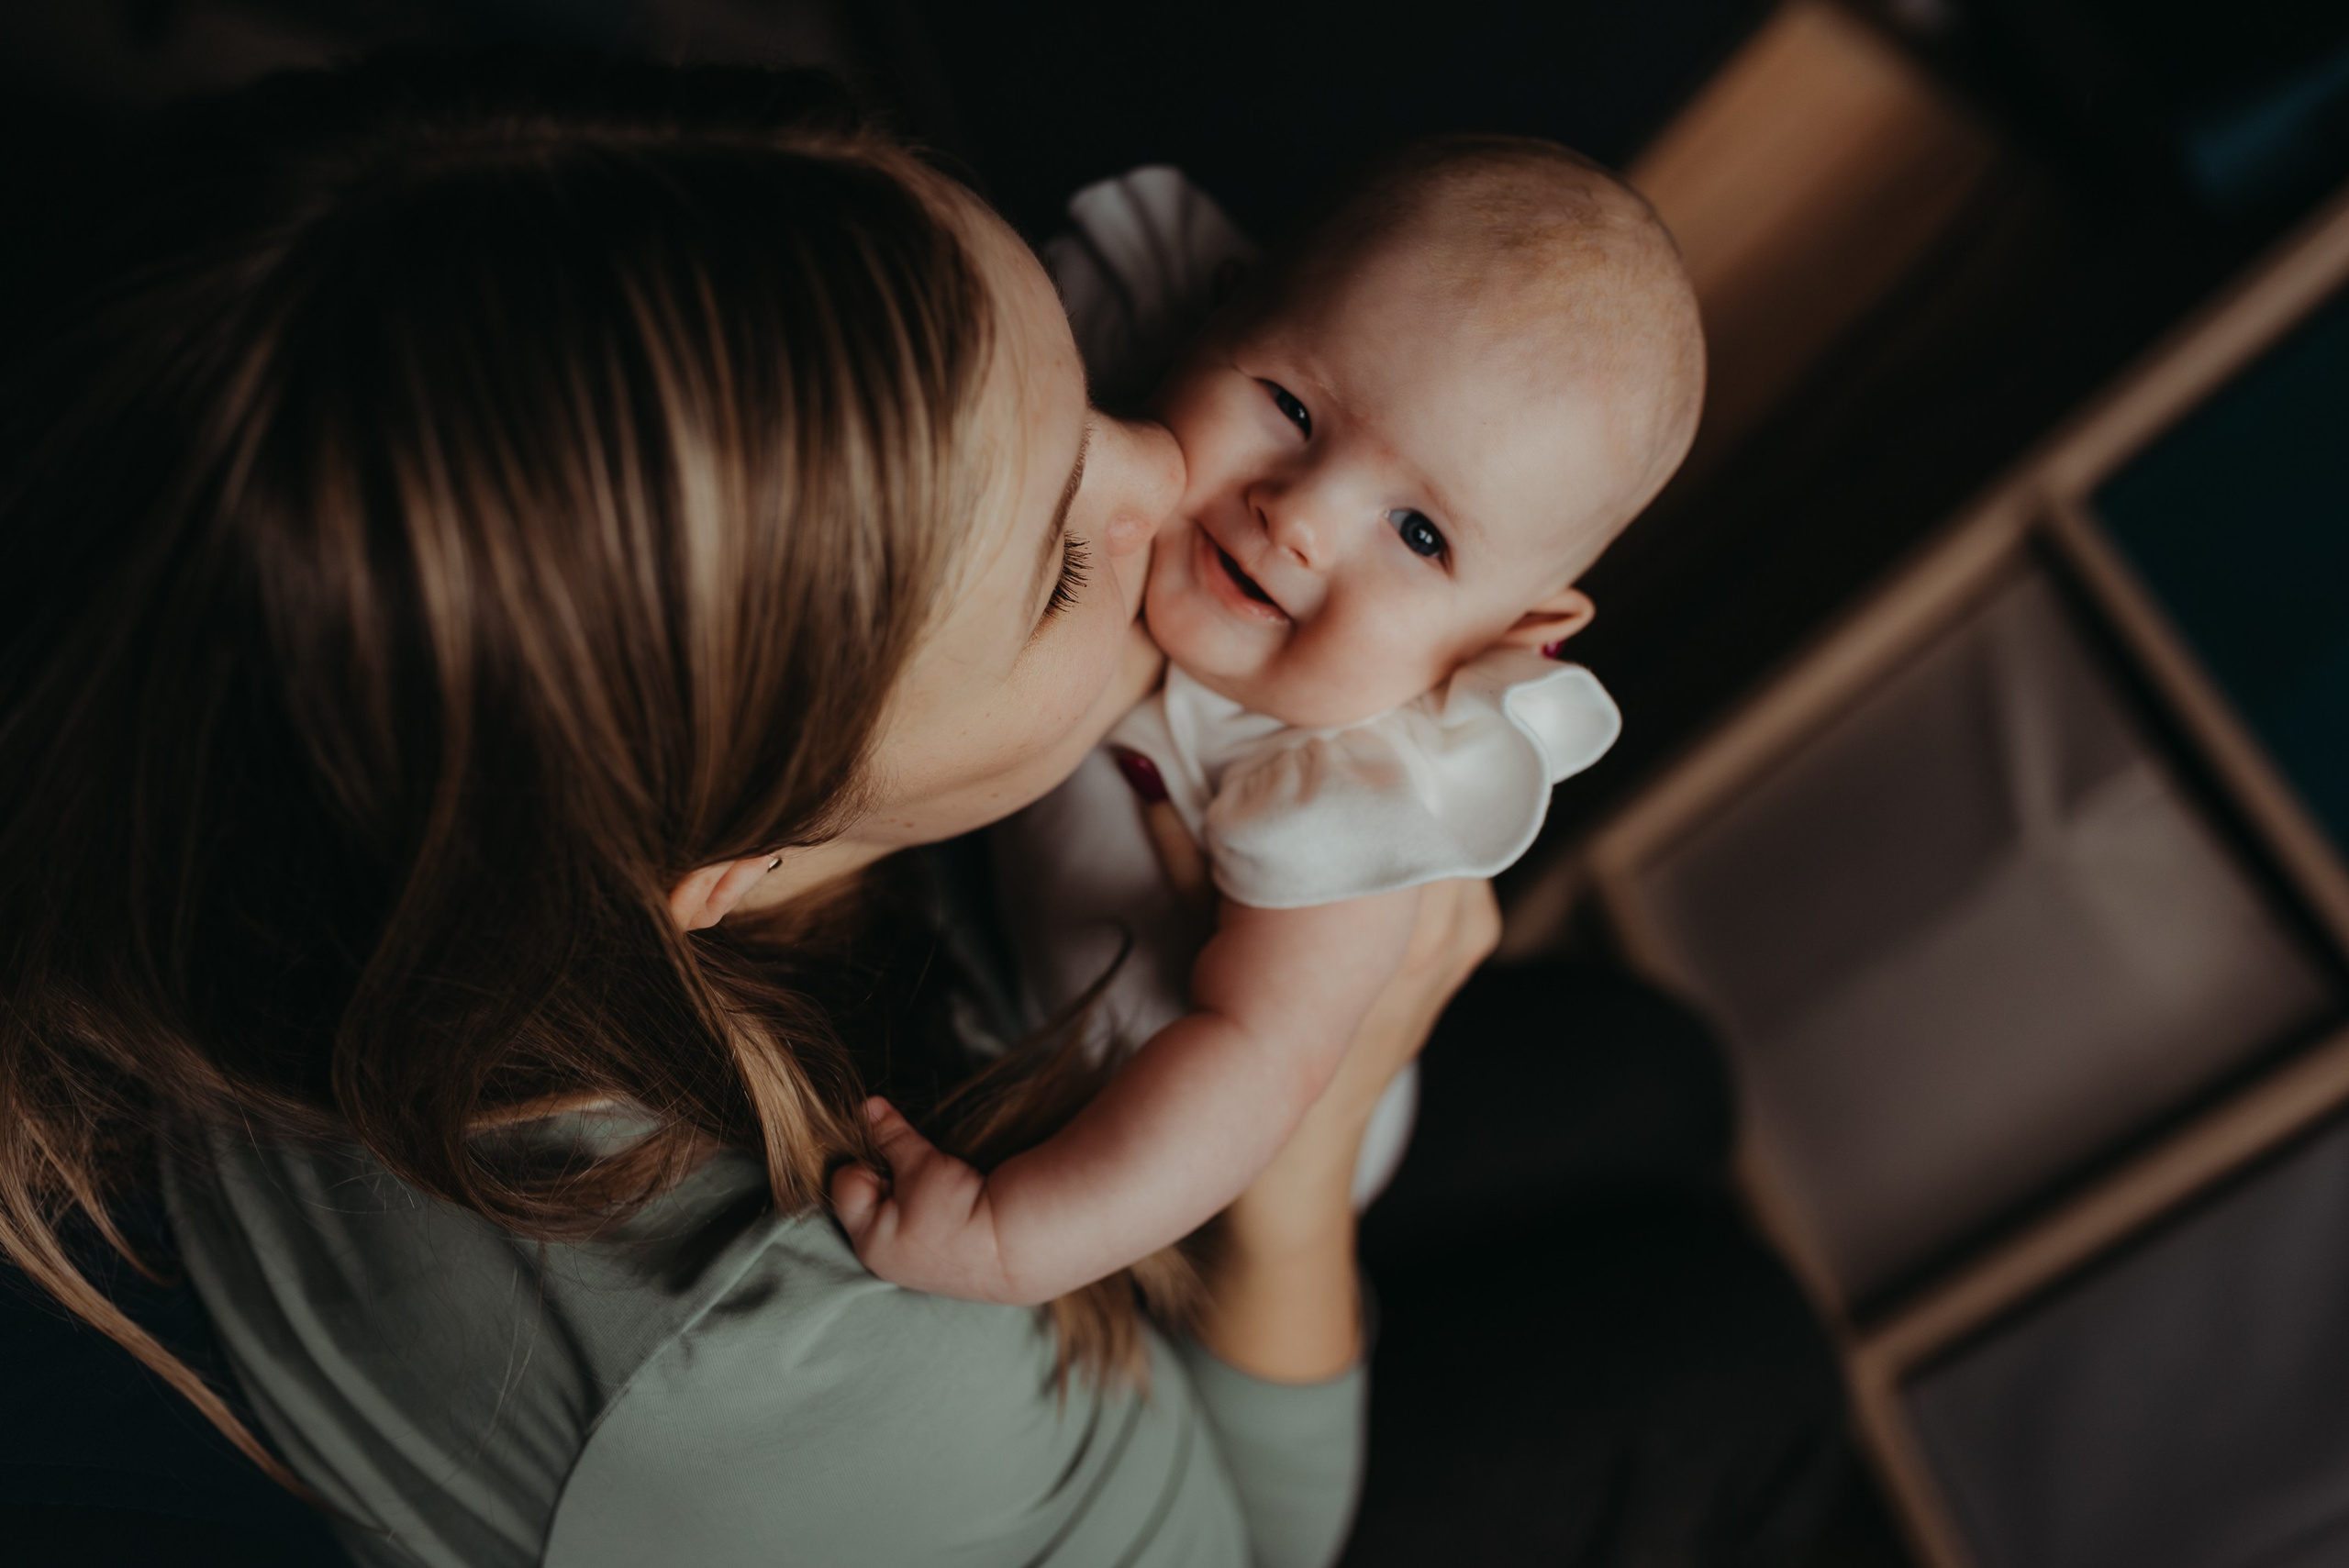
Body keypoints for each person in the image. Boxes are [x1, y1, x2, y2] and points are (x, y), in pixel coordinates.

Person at [0, 56, 1497, 1568]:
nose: (1173, 468)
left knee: (1644, 1080)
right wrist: (1304, 1143)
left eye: (1091, 388)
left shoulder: (314, 761)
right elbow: (1257, 1546)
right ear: (738, 857)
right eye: (1058, 573)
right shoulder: (776, 1356)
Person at [833, 139, 1705, 1307]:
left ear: (1511, 633)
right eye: (1290, 405)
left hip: (1171, 1146)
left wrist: (1008, 1236)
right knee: (1659, 1079)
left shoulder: (1356, 790)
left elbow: (1257, 1062)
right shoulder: (1105, 376)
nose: (1300, 519)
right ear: (1222, 301)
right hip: (989, 896)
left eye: (1421, 535)